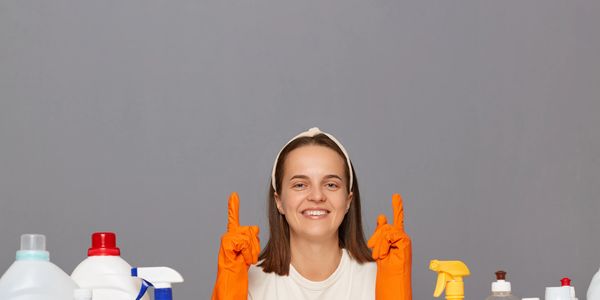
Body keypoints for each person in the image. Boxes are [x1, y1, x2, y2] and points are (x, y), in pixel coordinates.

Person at [212, 128, 411, 300]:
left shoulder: (380, 277)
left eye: (331, 184)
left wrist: (394, 286)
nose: (317, 196)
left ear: (348, 200)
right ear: (279, 201)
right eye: (300, 185)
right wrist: (230, 286)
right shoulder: (248, 279)